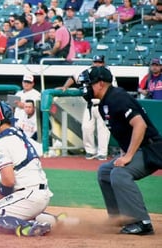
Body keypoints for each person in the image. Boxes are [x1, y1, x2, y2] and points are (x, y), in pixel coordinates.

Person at [80, 66, 161, 235]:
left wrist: (128, 156)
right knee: (104, 171)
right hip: (143, 148)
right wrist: (126, 153)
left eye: (89, 84)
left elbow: (140, 125)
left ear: (100, 83)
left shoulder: (117, 97)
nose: (86, 88)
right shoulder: (105, 103)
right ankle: (120, 218)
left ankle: (142, 222)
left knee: (119, 173)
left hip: (152, 149)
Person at [0, 100, 53, 236]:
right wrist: (3, 189)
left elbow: (8, 181)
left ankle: (28, 227)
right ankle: (53, 220)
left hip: (28, 196)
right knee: (3, 211)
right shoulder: (16, 133)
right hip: (37, 194)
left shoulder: (0, 142)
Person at [60, 55, 117, 160]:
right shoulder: (87, 72)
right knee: (86, 128)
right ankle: (90, 151)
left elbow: (113, 89)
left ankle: (102, 152)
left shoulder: (108, 74)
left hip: (103, 104)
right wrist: (65, 86)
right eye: (95, 62)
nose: (97, 64)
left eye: (99, 62)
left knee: (103, 129)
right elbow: (73, 77)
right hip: (90, 104)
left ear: (103, 63)